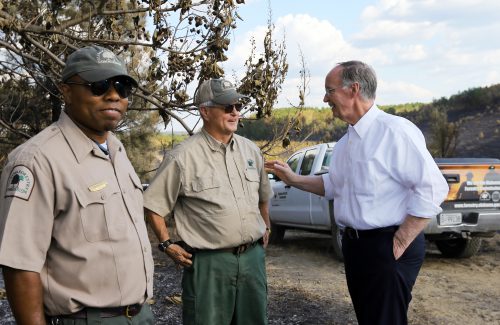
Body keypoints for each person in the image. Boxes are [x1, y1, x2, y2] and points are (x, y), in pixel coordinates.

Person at [266, 61, 449, 325]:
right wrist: (293, 179)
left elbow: (433, 188)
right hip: (355, 247)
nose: (325, 98)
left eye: (330, 90)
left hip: (387, 244)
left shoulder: (395, 131)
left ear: (353, 89)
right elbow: (333, 185)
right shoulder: (345, 143)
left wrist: (399, 242)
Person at [0, 45, 155, 324]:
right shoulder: (36, 161)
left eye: (122, 88)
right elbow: (19, 266)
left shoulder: (116, 149)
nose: (113, 95)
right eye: (98, 85)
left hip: (140, 315)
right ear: (67, 91)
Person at [144, 78, 273, 325]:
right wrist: (166, 244)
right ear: (205, 111)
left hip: (252, 261)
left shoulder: (251, 151)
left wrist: (265, 224)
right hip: (209, 264)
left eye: (237, 106)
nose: (235, 112)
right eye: (227, 107)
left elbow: (263, 196)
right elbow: (153, 205)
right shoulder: (182, 156)